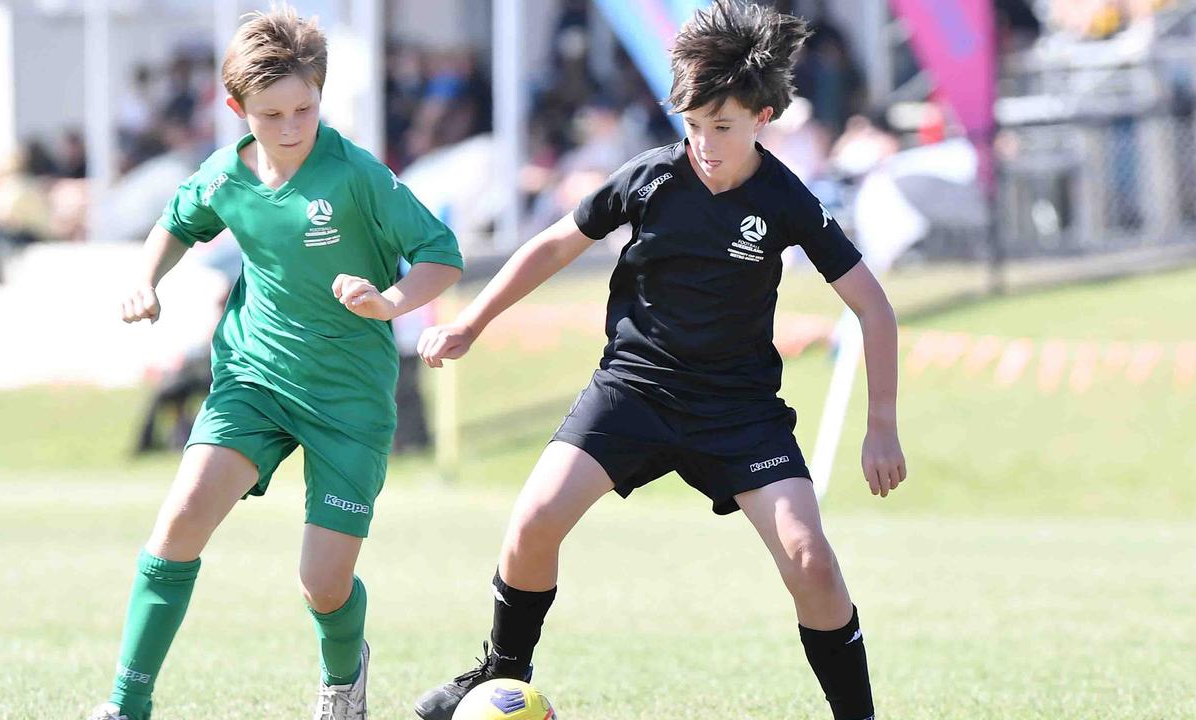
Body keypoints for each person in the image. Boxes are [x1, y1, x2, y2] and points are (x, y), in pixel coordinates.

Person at [413, 2, 905, 719]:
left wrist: (881, 424)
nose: (704, 143)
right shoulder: (649, 178)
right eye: (693, 125)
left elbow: (873, 306)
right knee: (532, 522)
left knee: (811, 561)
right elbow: (553, 245)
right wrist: (472, 321)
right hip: (634, 390)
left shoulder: (786, 201)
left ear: (762, 116)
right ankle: (497, 676)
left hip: (738, 411)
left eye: (723, 127)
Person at [88, 7, 463, 720]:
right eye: (271, 114)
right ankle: (124, 706)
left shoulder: (356, 174)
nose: (292, 127)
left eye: (305, 109)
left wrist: (388, 301)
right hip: (252, 380)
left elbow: (442, 255)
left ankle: (342, 677)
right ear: (236, 109)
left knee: (321, 585)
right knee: (177, 526)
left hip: (349, 401)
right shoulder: (226, 174)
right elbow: (177, 221)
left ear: (321, 96)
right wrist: (146, 280)